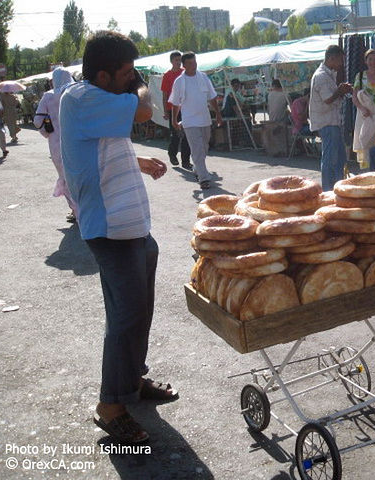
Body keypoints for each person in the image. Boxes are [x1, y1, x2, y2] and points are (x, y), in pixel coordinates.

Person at [60, 30, 175, 444]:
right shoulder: (81, 98)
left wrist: (137, 159)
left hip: (131, 226)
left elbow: (105, 144)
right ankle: (110, 405)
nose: (131, 79)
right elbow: (143, 111)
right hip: (110, 230)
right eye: (125, 72)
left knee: (138, 312)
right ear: (103, 76)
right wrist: (141, 83)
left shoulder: (98, 99)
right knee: (125, 317)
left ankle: (132, 381)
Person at [168, 51, 223, 190]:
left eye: (195, 62)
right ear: (184, 65)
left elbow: (212, 97)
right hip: (189, 121)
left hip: (205, 120)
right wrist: (174, 120)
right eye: (190, 63)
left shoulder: (203, 77)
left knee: (204, 148)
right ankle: (203, 179)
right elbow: (175, 103)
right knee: (197, 149)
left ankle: (198, 169)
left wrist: (217, 114)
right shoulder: (179, 81)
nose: (194, 65)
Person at [33, 67, 77, 222]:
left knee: (65, 178)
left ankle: (76, 211)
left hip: (57, 145)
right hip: (78, 143)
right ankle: (87, 210)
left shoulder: (48, 96)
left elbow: (38, 121)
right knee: (80, 177)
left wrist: (48, 133)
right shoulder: (75, 93)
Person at [309, 44, 353, 191]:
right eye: (340, 60)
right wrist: (339, 91)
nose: (341, 64)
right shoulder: (321, 76)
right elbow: (328, 99)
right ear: (332, 58)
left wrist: (340, 90)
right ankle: (328, 191)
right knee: (330, 159)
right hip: (327, 123)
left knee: (339, 159)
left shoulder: (328, 74)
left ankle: (339, 188)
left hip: (333, 121)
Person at [160, 50, 191, 169]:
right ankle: (172, 154)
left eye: (180, 60)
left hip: (186, 109)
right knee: (176, 135)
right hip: (173, 109)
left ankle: (186, 161)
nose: (179, 62)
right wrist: (165, 111)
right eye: (176, 60)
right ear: (172, 61)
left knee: (187, 135)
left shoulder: (185, 73)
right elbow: (165, 95)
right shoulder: (167, 75)